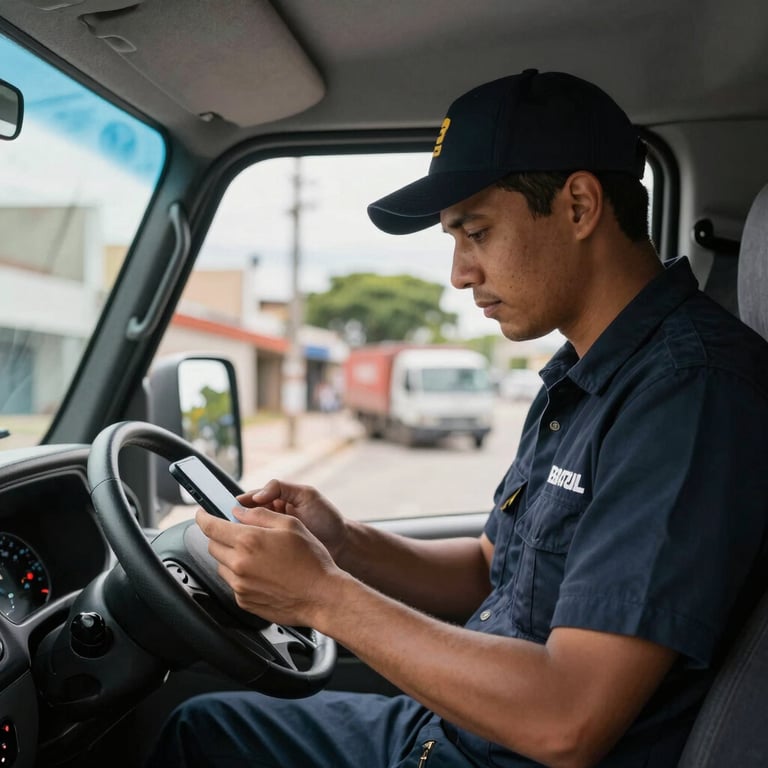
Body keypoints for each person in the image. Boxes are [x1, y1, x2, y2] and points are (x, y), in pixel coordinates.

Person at [146, 69, 768, 767]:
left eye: (475, 232)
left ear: (580, 205)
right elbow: (489, 569)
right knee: (203, 730)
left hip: (498, 750)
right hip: (446, 732)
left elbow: (568, 718)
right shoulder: (582, 374)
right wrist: (342, 543)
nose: (458, 273)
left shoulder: (690, 393)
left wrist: (322, 596)